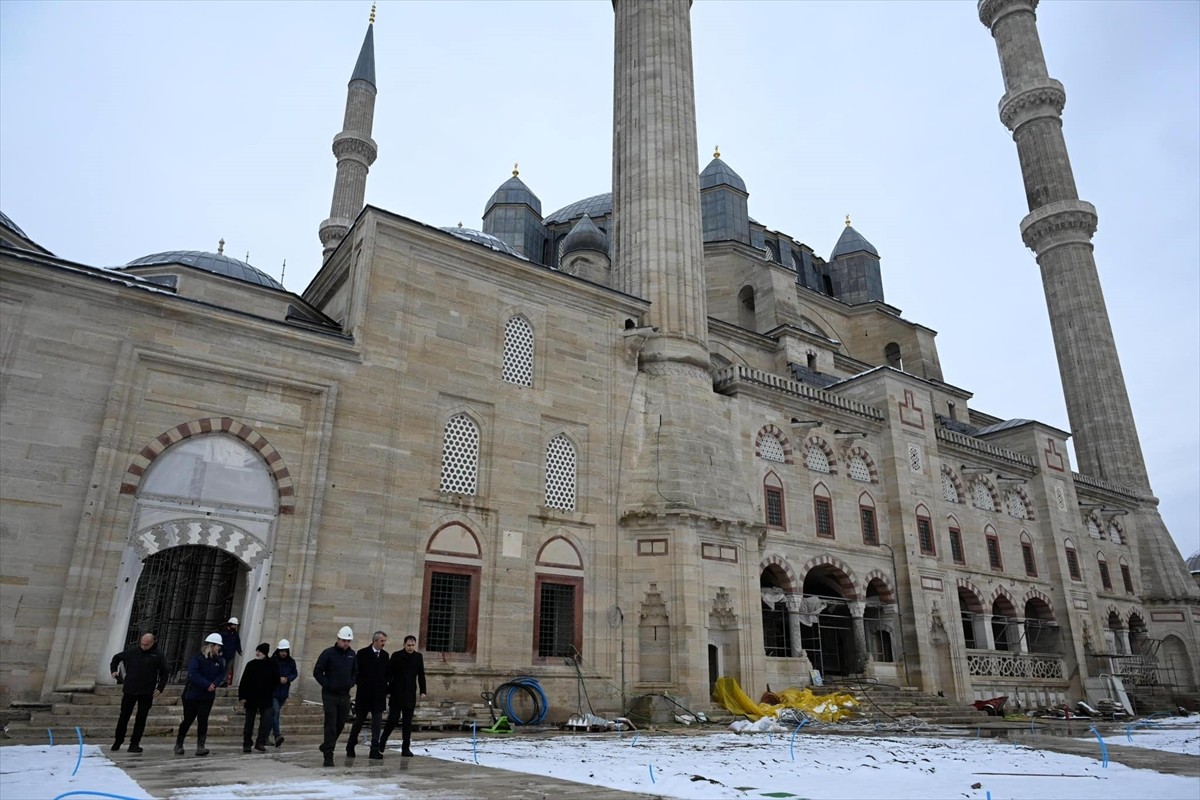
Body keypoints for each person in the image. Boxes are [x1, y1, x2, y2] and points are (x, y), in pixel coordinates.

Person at [109, 632, 169, 753]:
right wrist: (114, 671)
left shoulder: (157, 655)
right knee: (124, 715)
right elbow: (116, 658)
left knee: (141, 718)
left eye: (146, 645)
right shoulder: (133, 652)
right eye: (142, 644)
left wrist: (160, 687)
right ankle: (118, 740)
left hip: (146, 691)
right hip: (130, 689)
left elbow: (165, 672)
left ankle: (134, 743)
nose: (144, 646)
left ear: (152, 643)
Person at [313, 625, 358, 767]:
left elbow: (355, 672)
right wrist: (327, 684)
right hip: (330, 694)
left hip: (344, 695)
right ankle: (328, 755)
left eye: (348, 641)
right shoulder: (328, 653)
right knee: (331, 724)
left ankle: (327, 744)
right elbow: (318, 672)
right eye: (344, 640)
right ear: (338, 639)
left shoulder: (352, 655)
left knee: (340, 723)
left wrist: (351, 682)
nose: (346, 643)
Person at [174, 633, 225, 756]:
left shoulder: (219, 661)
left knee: (203, 720)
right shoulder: (197, 658)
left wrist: (214, 684)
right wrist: (207, 684)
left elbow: (221, 674)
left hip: (207, 696)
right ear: (211, 646)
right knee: (188, 719)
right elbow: (193, 674)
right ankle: (179, 743)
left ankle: (200, 746)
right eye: (218, 646)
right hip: (192, 694)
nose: (219, 648)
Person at [379, 635, 427, 758]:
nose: (411, 647)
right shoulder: (396, 656)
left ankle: (406, 748)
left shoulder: (418, 657)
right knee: (393, 720)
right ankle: (382, 741)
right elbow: (389, 674)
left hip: (410, 694)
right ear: (404, 644)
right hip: (397, 693)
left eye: (413, 645)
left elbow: (421, 675)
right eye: (408, 645)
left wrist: (423, 691)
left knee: (407, 723)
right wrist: (387, 691)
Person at [346, 630, 388, 760]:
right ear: (375, 641)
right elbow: (357, 672)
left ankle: (375, 749)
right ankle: (351, 745)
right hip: (365, 694)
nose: (384, 643)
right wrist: (361, 683)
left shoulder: (385, 655)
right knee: (359, 721)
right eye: (382, 641)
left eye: (384, 641)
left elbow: (386, 674)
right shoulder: (363, 653)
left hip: (379, 695)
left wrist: (386, 689)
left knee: (376, 724)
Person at [238, 642, 278, 753]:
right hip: (251, 697)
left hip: (266, 697)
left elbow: (276, 680)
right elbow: (244, 681)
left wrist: (271, 691)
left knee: (266, 721)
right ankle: (247, 743)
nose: (257, 653)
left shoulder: (272, 665)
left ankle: (260, 742)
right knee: (249, 722)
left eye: (259, 651)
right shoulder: (251, 664)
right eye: (257, 651)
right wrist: (242, 696)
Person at [270, 638, 299, 747]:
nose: (283, 653)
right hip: (274, 692)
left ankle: (266, 736)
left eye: (285, 651)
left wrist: (288, 678)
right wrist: (278, 678)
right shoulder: (273, 661)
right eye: (282, 651)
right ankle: (277, 735)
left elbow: (294, 673)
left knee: (274, 714)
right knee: (275, 712)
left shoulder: (291, 662)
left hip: (284, 692)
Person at [219, 617, 243, 687]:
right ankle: (220, 681)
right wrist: (220, 651)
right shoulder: (223, 633)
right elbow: (220, 643)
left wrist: (239, 651)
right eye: (234, 625)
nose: (235, 626)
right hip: (223, 654)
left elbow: (237, 643)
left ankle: (225, 681)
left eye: (236, 625)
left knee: (228, 668)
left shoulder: (235, 634)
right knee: (222, 668)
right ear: (230, 625)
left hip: (231, 654)